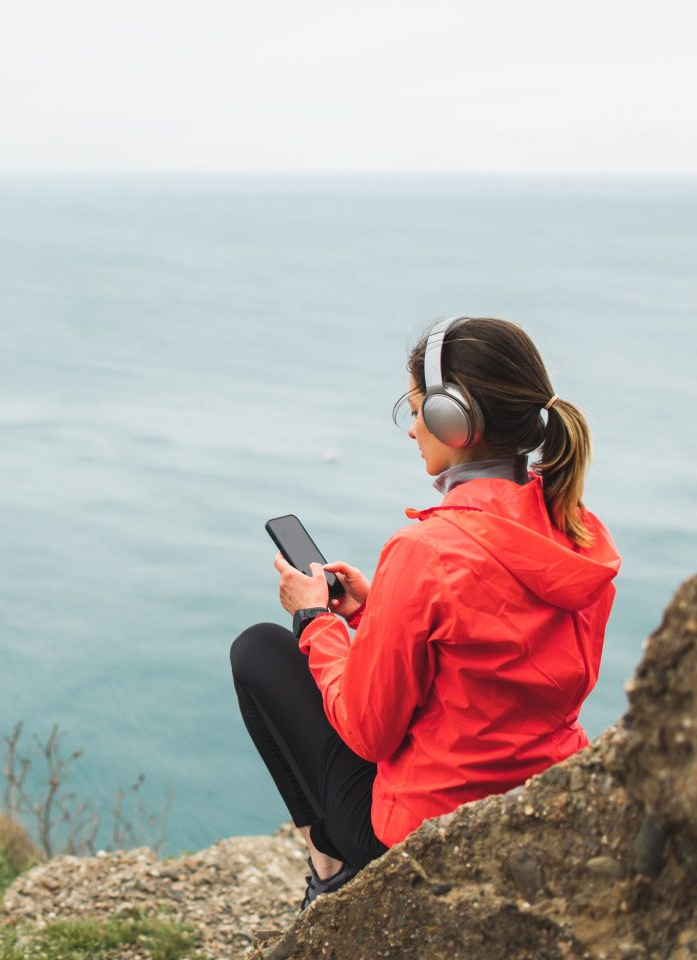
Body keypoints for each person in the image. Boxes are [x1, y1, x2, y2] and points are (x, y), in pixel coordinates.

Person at [229, 316, 620, 911]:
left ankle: (330, 863)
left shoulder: (426, 551)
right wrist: (374, 612)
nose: (412, 430)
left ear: (454, 420)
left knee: (258, 649)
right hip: (532, 805)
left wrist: (317, 622)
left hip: (427, 834)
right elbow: (488, 659)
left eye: (416, 411)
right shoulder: (576, 531)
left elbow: (368, 731)